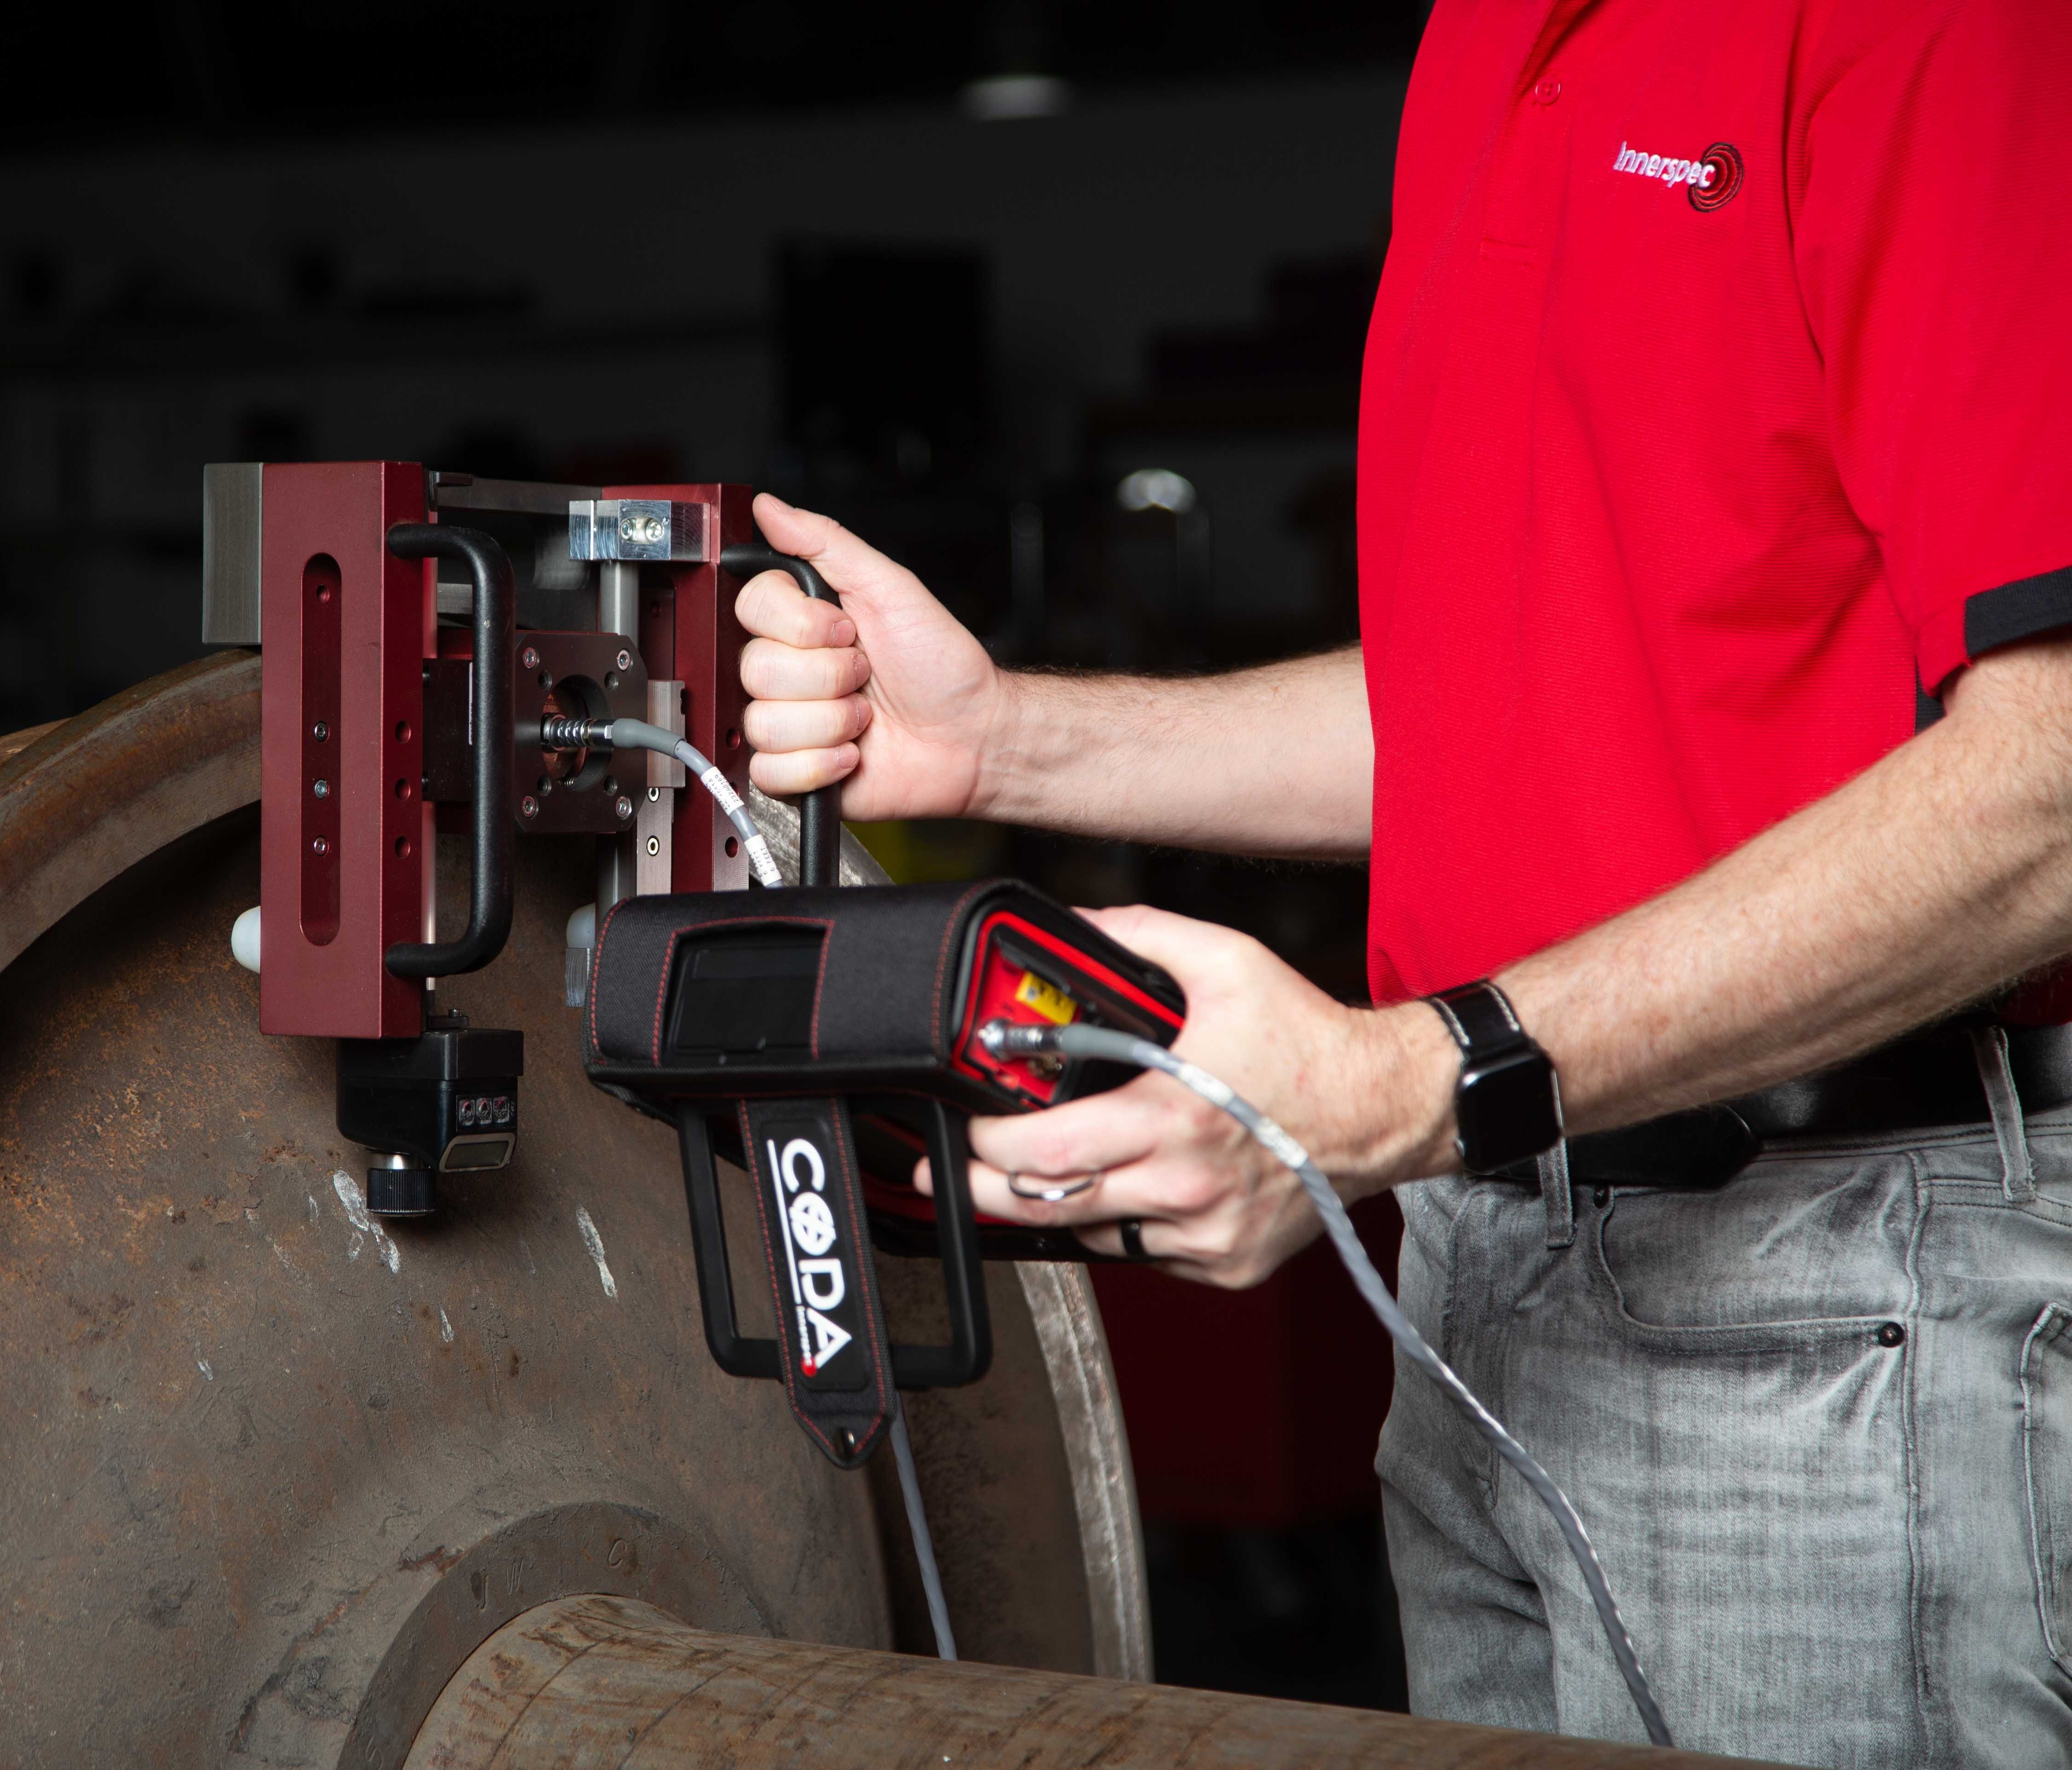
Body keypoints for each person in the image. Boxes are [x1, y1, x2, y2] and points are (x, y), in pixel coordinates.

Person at [729, 0, 2072, 1762]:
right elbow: (1497, 708)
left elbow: (2052, 783)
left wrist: (1402, 1078)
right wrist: (1007, 741)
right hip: (1478, 1256)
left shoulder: (1937, 31)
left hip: (1831, 1265)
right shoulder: (1477, 48)